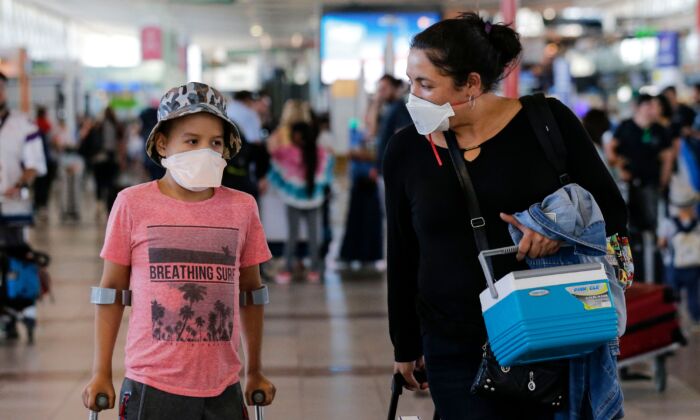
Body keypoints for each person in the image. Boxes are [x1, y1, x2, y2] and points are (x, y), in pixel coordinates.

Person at [384, 13, 629, 419]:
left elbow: (611, 210)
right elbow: (404, 249)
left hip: (549, 330)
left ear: (472, 85)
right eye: (411, 81)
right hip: (452, 342)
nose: (413, 96)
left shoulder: (547, 125)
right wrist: (405, 345)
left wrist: (556, 233)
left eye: (426, 85)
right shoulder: (406, 150)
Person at [81, 82, 276, 419]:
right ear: (162, 143)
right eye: (192, 141)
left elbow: (250, 293)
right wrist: (101, 373)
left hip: (222, 385)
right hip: (151, 385)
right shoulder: (133, 204)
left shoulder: (241, 208)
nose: (206, 151)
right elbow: (111, 291)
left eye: (215, 142)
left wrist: (254, 370)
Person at [606, 94, 675, 281]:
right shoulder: (626, 126)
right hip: (627, 187)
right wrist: (620, 167)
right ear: (640, 107)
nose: (654, 109)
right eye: (650, 105)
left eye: (655, 106)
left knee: (651, 228)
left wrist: (663, 181)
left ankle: (652, 273)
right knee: (625, 229)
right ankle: (628, 275)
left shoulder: (659, 129)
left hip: (650, 186)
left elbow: (668, 156)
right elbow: (611, 150)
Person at [268, 121, 333, 284]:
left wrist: (277, 131)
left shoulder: (288, 152)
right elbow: (327, 169)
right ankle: (315, 270)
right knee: (313, 236)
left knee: (293, 235)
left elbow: (273, 155)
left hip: (294, 198)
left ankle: (288, 269)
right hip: (314, 198)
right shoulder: (320, 152)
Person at [658, 178, 700, 328]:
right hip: (694, 265)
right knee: (693, 295)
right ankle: (696, 320)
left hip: (673, 266)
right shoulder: (697, 224)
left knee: (673, 295)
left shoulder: (668, 223)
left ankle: (674, 321)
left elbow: (661, 243)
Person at [53, 117, 85, 222]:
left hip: (74, 161)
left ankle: (74, 209)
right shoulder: (58, 134)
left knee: (75, 187)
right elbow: (58, 147)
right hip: (64, 161)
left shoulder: (71, 133)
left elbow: (76, 146)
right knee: (65, 187)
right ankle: (65, 209)